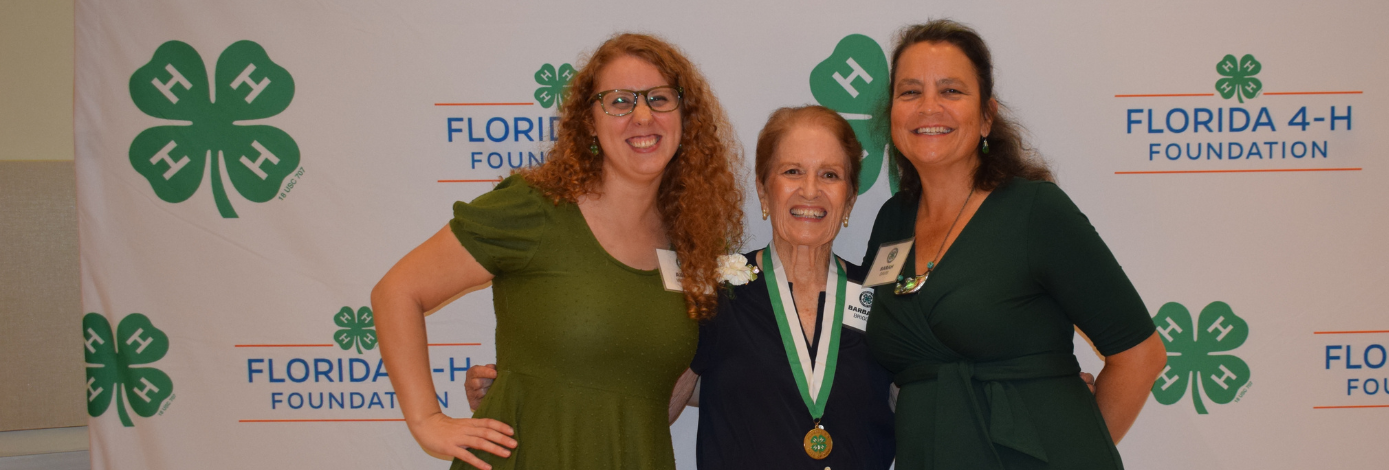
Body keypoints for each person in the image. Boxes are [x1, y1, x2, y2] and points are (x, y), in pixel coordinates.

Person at [371, 33, 744, 470]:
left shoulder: (696, 245)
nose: (643, 115)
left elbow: (675, 382)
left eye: (660, 98)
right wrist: (427, 419)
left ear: (685, 115)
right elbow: (397, 291)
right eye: (620, 101)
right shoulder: (535, 207)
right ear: (589, 121)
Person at [468, 106, 897, 470]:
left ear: (851, 199)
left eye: (830, 174)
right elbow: (642, 396)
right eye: (791, 172)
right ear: (764, 192)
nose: (810, 190)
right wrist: (531, 391)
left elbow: (920, 405)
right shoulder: (712, 292)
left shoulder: (885, 301)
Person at [859, 19, 1167, 470]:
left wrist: (1071, 447)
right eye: (910, 92)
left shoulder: (1035, 212)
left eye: (951, 91)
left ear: (987, 116)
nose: (929, 107)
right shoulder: (891, 221)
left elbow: (1141, 356)